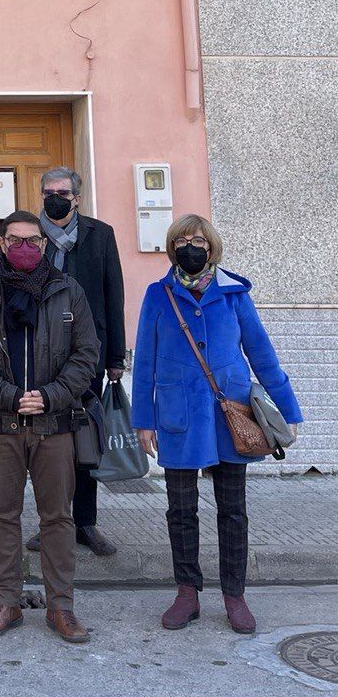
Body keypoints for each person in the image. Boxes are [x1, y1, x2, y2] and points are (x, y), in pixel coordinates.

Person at [132, 213, 302, 635]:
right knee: (180, 510)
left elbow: (263, 356)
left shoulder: (234, 295)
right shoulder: (159, 295)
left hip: (231, 417)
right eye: (183, 240)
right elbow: (146, 362)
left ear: (212, 247)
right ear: (173, 247)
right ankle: (187, 592)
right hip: (179, 415)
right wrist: (144, 421)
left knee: (233, 511)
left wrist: (289, 412)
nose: (192, 246)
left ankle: (234, 595)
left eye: (199, 240)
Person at [0, 209, 99, 645]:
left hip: (55, 423)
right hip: (0, 423)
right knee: (3, 515)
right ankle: (6, 603)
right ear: (1, 244)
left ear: (44, 244)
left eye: (32, 240)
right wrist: (7, 394)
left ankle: (61, 607)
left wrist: (51, 396)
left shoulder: (68, 290)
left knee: (57, 517)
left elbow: (86, 354)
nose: (24, 247)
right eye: (15, 240)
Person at [26, 167, 125, 558]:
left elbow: (112, 295)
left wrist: (115, 356)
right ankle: (50, 522)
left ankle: (85, 523)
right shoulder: (28, 237)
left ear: (77, 198)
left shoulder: (100, 235)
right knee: (44, 443)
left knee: (85, 440)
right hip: (39, 356)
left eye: (62, 192)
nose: (54, 197)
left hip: (87, 355)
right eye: (48, 191)